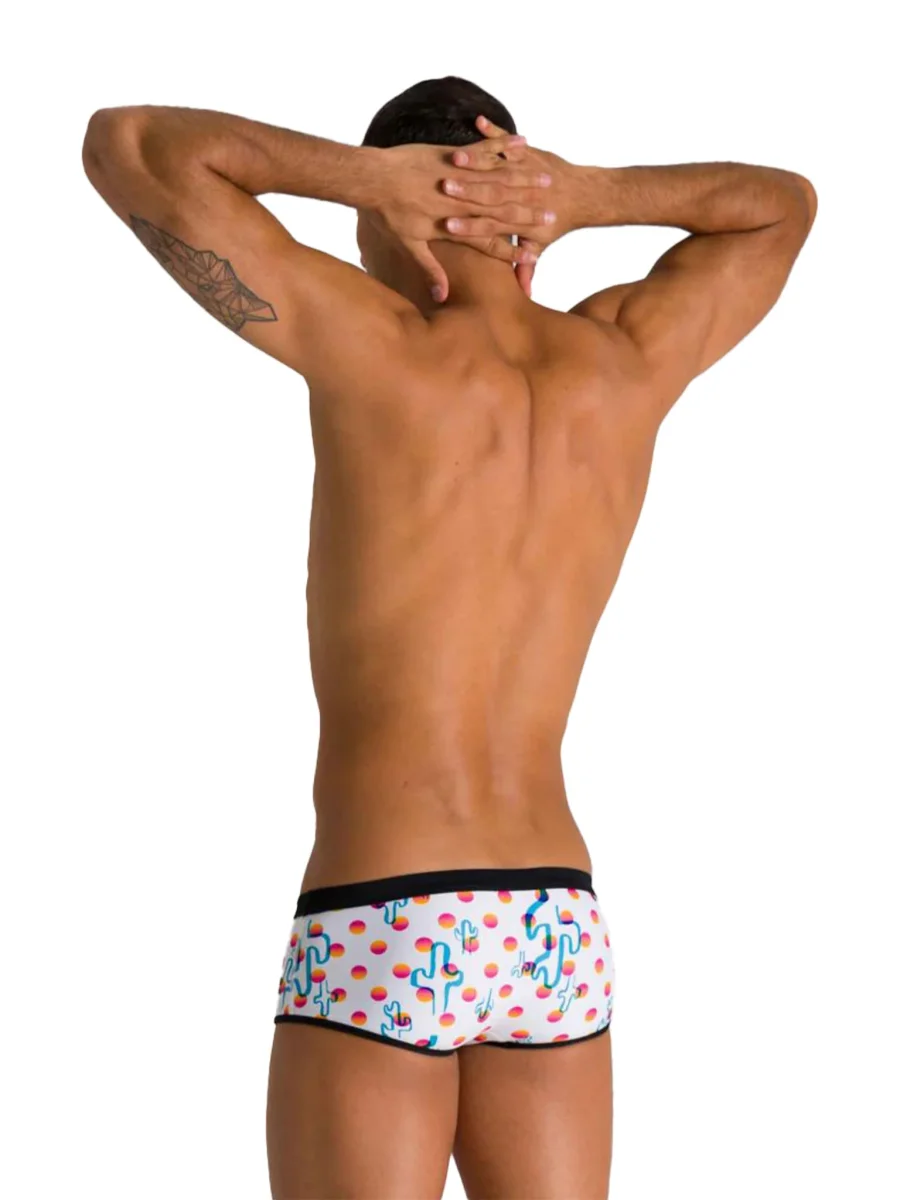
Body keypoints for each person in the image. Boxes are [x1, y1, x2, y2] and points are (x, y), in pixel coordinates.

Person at [82, 74, 816, 1199]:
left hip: (383, 900)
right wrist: (589, 196)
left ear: (394, 219)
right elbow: (781, 207)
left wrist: (366, 181)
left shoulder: (373, 340)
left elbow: (128, 142)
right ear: (523, 226)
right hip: (552, 916)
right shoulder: (623, 359)